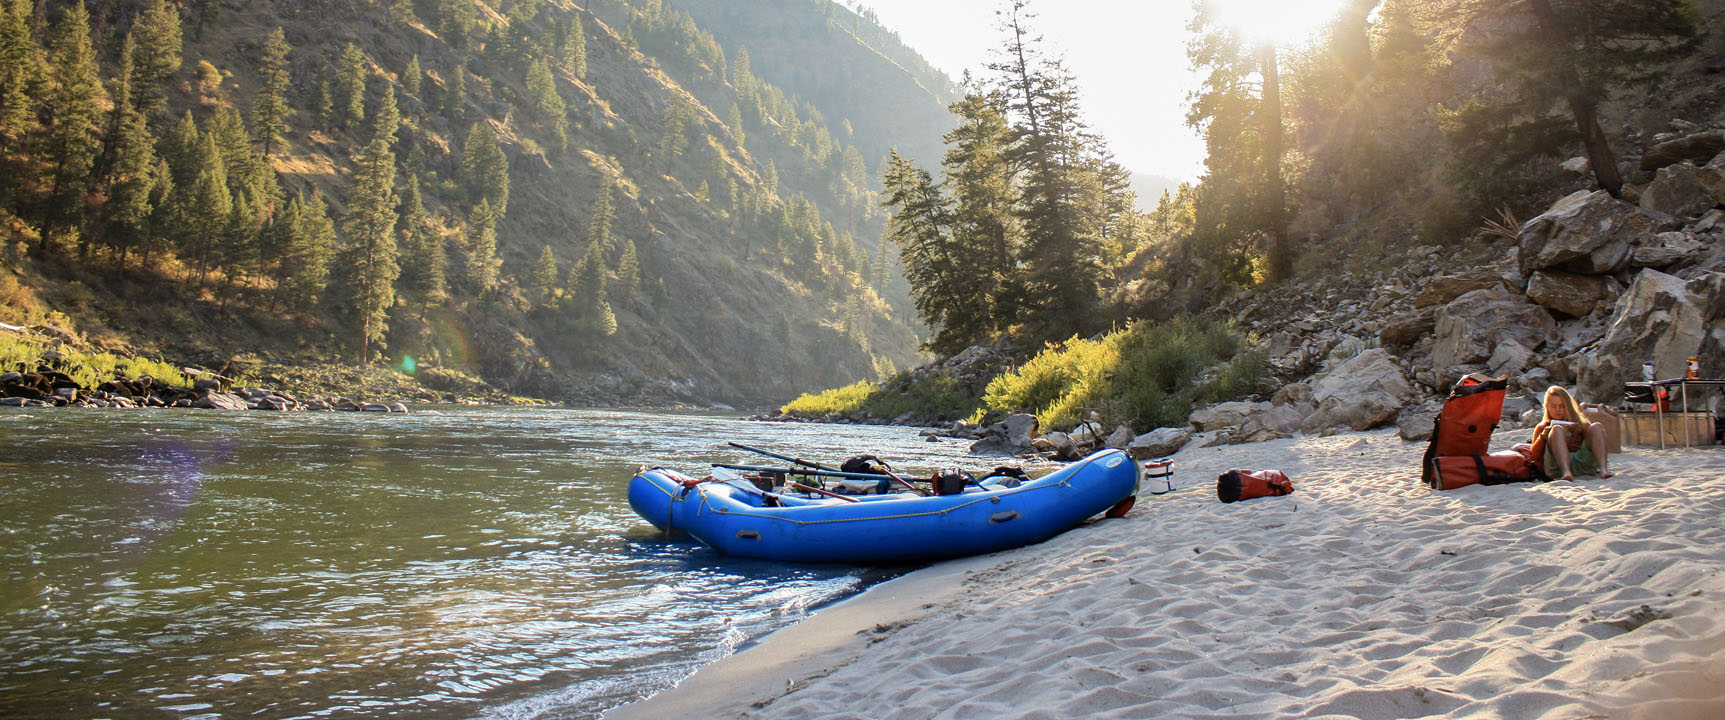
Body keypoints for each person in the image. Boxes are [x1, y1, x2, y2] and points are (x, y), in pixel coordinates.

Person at [1530, 385, 1615, 481]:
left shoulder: (1578, 422)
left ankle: (1603, 469)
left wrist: (1581, 431)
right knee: (1556, 429)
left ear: (1567, 406)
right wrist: (1543, 436)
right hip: (1557, 468)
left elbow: (1595, 441)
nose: (1557, 410)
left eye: (1562, 406)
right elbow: (1534, 456)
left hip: (1582, 464)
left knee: (1597, 427)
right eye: (1553, 406)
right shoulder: (1542, 426)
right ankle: (1566, 472)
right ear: (1547, 407)